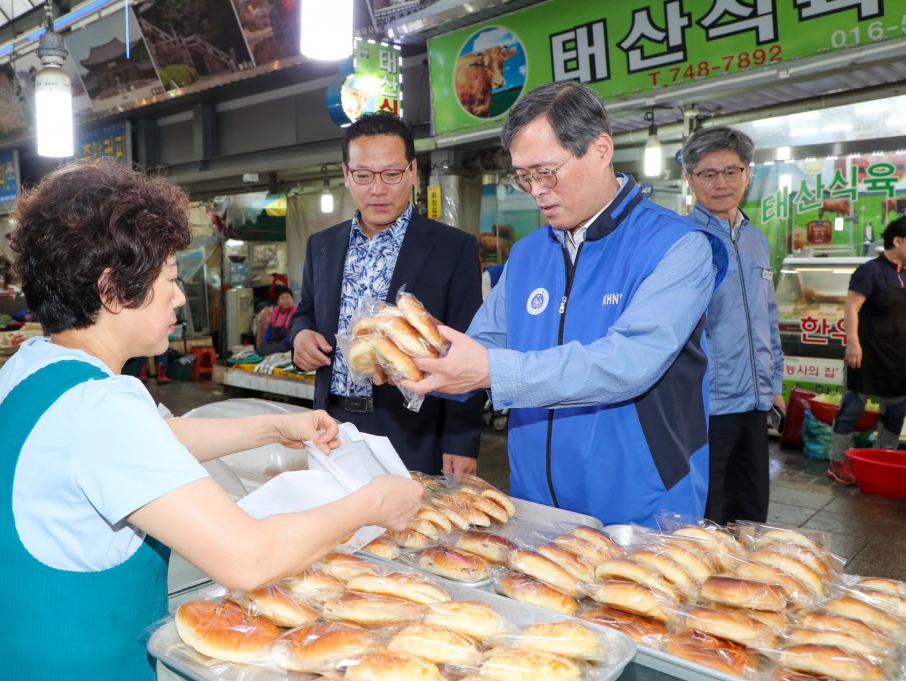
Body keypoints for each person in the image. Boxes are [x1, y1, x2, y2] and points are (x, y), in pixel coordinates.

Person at [0, 159, 423, 681]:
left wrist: (275, 428)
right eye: (169, 278)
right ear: (114, 289)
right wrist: (373, 502)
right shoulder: (101, 406)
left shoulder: (31, 366)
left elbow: (153, 442)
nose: (180, 296)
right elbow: (248, 558)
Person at [400, 82, 728, 527]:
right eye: (523, 176)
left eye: (546, 171)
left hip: (642, 501)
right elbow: (483, 342)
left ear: (600, 149)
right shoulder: (529, 253)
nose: (536, 190)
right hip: (535, 497)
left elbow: (628, 362)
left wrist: (493, 371)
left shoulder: (678, 246)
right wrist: (416, 360)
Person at [290, 112, 484, 476]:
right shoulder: (322, 245)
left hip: (412, 431)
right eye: (363, 175)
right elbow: (307, 310)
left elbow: (468, 346)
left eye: (391, 174)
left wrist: (461, 439)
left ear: (412, 171)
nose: (377, 189)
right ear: (346, 174)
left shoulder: (452, 249)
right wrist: (300, 334)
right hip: (332, 427)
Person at [682, 126, 785, 524]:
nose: (721, 183)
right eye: (708, 174)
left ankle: (745, 583)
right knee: (709, 510)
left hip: (756, 401)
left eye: (731, 171)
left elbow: (768, 318)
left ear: (747, 174)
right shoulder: (682, 240)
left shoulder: (757, 240)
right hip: (707, 403)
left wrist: (774, 386)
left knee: (752, 508)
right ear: (690, 180)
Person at [826, 217, 906, 484]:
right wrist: (853, 343)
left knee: (895, 413)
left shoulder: (904, 272)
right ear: (898, 241)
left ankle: (884, 459)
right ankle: (838, 461)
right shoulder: (870, 271)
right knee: (851, 408)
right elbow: (851, 308)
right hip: (866, 353)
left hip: (898, 356)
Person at [256, 285, 297, 356]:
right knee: (260, 351)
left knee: (273, 352)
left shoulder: (296, 311)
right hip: (275, 341)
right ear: (278, 301)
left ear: (292, 299)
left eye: (288, 298)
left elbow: (295, 331)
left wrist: (284, 343)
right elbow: (269, 328)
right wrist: (265, 342)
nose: (285, 301)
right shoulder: (275, 311)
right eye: (282, 298)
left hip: (289, 343)